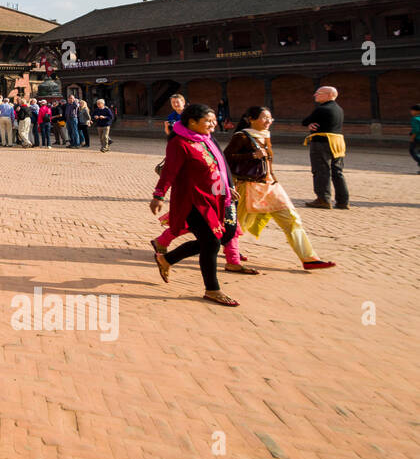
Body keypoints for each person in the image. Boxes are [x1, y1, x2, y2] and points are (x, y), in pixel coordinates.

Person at [149, 103, 240, 307]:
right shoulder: (179, 142)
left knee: (219, 238)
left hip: (215, 197)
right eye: (208, 121)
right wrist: (159, 195)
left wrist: (227, 187)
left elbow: (219, 167)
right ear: (192, 122)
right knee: (212, 243)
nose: (213, 125)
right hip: (192, 201)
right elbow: (169, 171)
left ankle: (167, 259)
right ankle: (212, 289)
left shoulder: (206, 139)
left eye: (213, 121)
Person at [224, 106, 335, 271]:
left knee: (291, 219)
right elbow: (226, 158)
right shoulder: (241, 136)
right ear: (251, 119)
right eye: (264, 117)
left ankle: (309, 258)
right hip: (249, 187)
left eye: (270, 118)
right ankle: (230, 249)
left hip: (271, 185)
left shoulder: (266, 135)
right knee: (239, 222)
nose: (268, 121)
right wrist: (251, 156)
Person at [301, 85, 349, 209]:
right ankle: (343, 201)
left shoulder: (322, 109)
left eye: (319, 93)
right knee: (337, 171)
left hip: (322, 142)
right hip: (337, 142)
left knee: (321, 170)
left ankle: (323, 199)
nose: (315, 95)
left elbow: (305, 121)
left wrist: (309, 124)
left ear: (329, 95)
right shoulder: (339, 109)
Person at [410, 103, 420, 174]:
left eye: (412, 110)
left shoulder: (415, 119)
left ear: (418, 111)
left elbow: (416, 130)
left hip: (418, 138)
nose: (411, 112)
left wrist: (412, 138)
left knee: (412, 151)